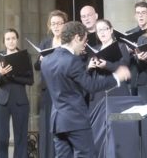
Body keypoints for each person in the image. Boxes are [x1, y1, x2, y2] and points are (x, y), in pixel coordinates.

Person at [40, 21, 131, 157]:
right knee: (86, 155)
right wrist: (116, 77)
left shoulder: (46, 60)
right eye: (84, 40)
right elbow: (91, 86)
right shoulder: (72, 60)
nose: (85, 44)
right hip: (75, 119)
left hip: (57, 121)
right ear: (77, 37)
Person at [0, 28, 34, 158]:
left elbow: (30, 80)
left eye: (13, 38)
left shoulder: (25, 56)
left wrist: (12, 76)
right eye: (8, 39)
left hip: (20, 101)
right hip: (1, 102)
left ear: (17, 39)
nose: (11, 41)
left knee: (20, 138)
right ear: (4, 41)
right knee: (1, 138)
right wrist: (1, 73)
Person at [34, 9, 68, 158]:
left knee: (62, 127)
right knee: (47, 127)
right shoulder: (45, 43)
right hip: (47, 91)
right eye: (53, 23)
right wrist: (41, 60)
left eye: (59, 23)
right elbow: (36, 66)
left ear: (64, 25)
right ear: (49, 26)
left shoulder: (69, 42)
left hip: (64, 91)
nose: (56, 26)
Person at [87, 19, 131, 112]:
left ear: (111, 30)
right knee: (100, 121)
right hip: (99, 90)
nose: (102, 33)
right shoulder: (95, 49)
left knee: (117, 120)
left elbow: (124, 66)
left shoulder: (120, 46)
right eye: (99, 30)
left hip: (116, 89)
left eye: (104, 29)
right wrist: (89, 67)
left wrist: (107, 65)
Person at [126, 1, 147, 96]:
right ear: (135, 16)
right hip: (133, 75)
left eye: (143, 13)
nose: (140, 16)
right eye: (138, 13)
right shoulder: (129, 34)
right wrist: (127, 51)